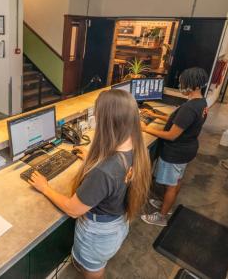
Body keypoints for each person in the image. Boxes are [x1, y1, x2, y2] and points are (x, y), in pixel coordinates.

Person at [28, 89, 151, 279]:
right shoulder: (137, 148)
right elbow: (114, 175)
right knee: (95, 264)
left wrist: (45, 188)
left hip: (98, 235)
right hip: (118, 225)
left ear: (108, 122)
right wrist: (92, 160)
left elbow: (73, 209)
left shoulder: (104, 171)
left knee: (93, 272)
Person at [140, 67, 209, 226]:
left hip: (176, 151)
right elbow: (179, 121)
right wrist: (155, 115)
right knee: (176, 180)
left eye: (182, 83)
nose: (180, 86)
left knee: (171, 184)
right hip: (187, 148)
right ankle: (166, 203)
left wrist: (145, 128)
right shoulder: (200, 102)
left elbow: (172, 135)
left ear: (193, 85)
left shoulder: (189, 108)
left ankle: (162, 216)